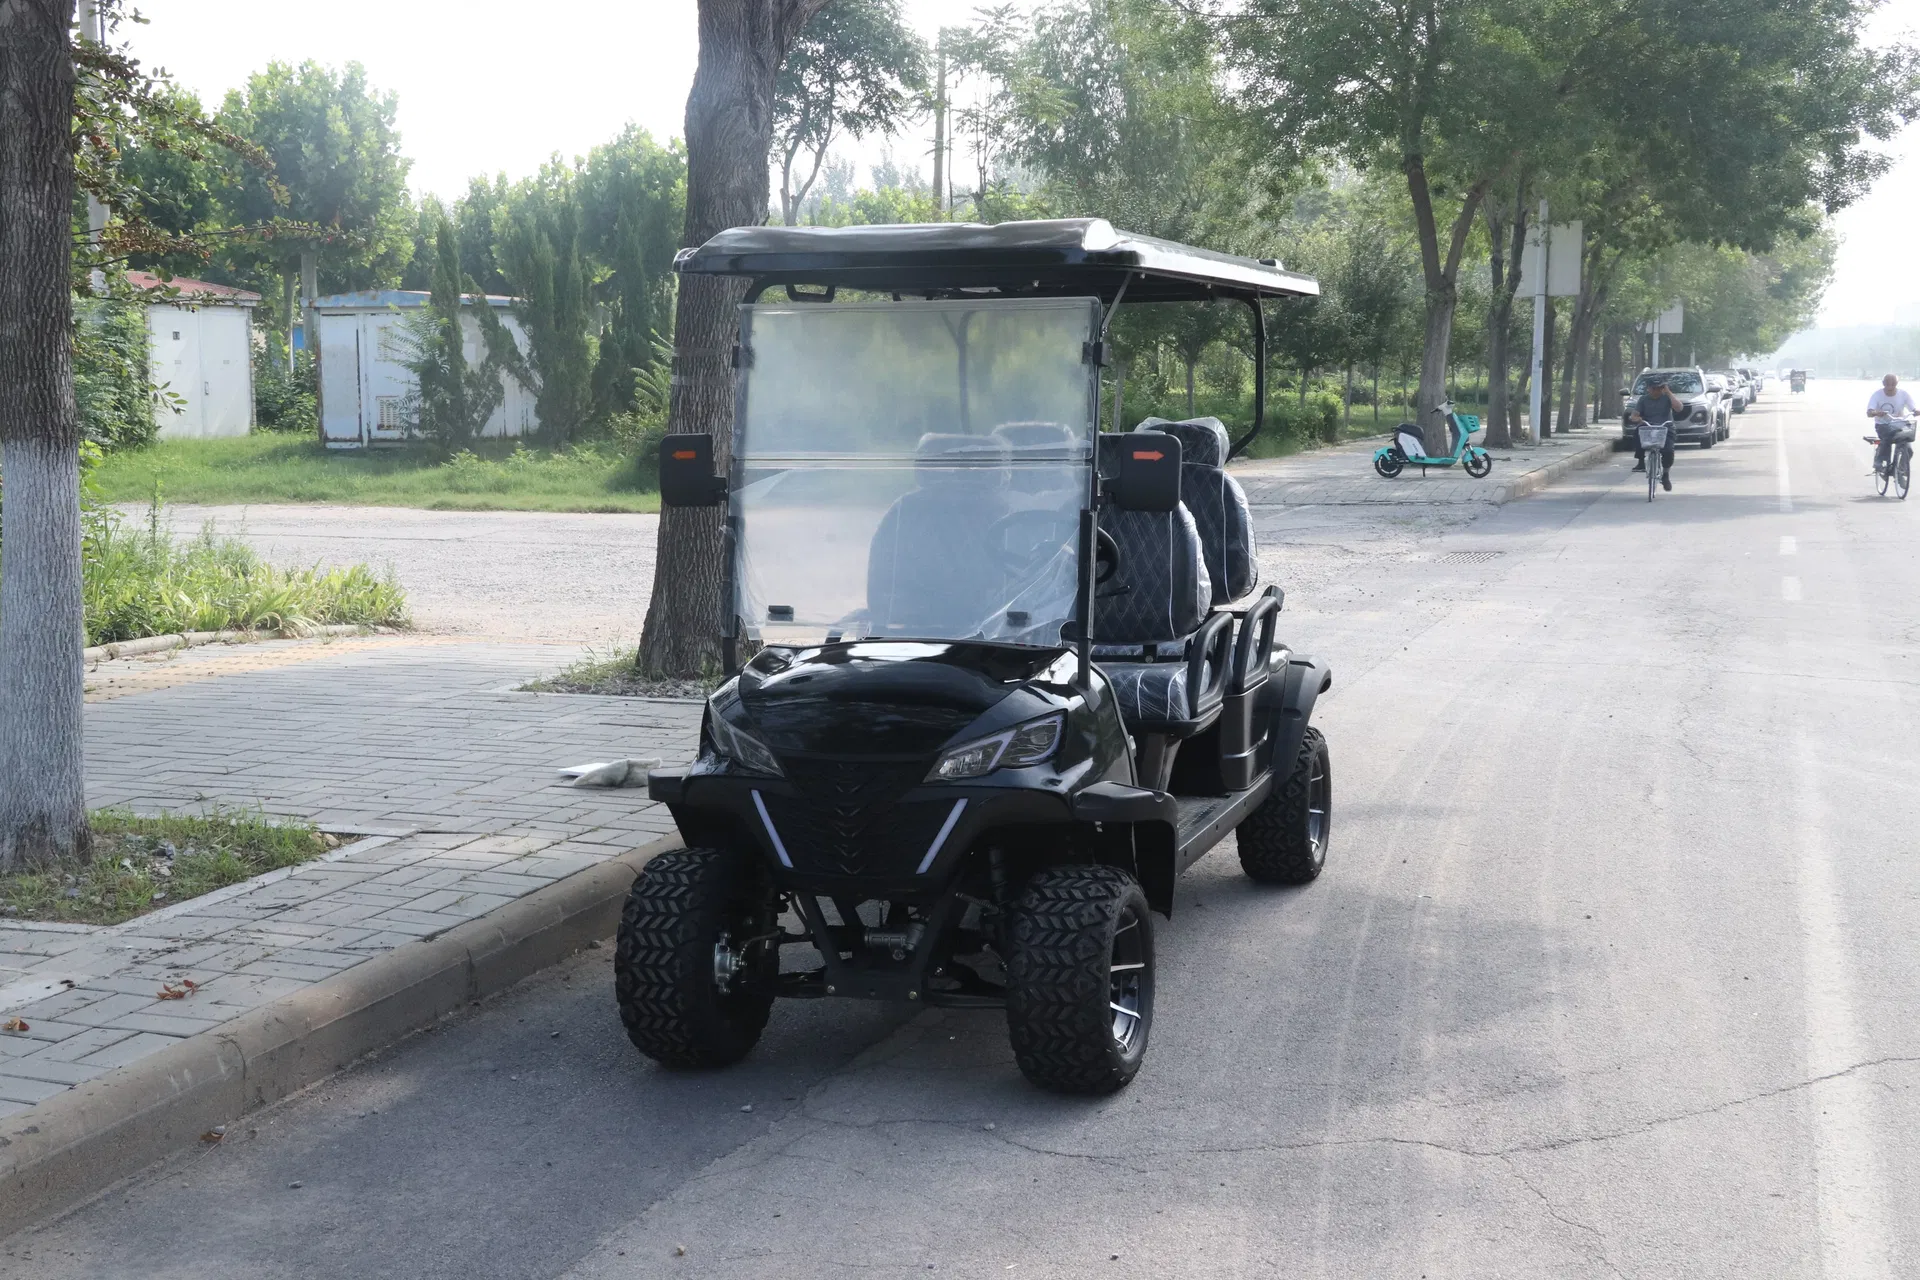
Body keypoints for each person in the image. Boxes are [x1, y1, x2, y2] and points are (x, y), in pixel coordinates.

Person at [1627, 375, 1684, 491]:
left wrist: (1668, 392)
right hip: (1648, 426)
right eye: (1653, 388)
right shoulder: (1643, 399)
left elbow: (1679, 408)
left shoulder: (1666, 398)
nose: (1656, 391)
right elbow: (1634, 415)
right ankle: (1641, 461)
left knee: (1668, 451)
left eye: (1659, 388)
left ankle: (1666, 474)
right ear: (1648, 388)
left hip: (1665, 427)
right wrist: (1637, 418)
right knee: (1638, 432)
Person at [1866, 374, 1918, 477]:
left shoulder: (1903, 394)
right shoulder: (1877, 395)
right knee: (1887, 440)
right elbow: (1869, 412)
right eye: (1887, 384)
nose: (1890, 387)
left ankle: (1901, 470)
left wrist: (1916, 411)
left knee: (1908, 448)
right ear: (1883, 384)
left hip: (1900, 424)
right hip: (1883, 424)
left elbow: (1913, 408)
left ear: (1896, 384)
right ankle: (1880, 464)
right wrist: (1876, 413)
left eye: (1893, 384)